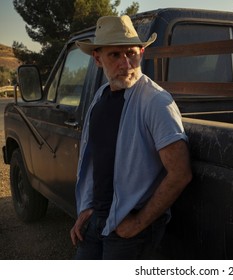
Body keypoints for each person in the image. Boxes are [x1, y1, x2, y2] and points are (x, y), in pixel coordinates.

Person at [69, 15, 192, 259]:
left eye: (131, 53)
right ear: (97, 58)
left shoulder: (156, 102)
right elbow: (96, 161)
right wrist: (87, 207)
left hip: (130, 229)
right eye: (115, 55)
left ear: (142, 52)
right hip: (97, 219)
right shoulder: (100, 97)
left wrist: (137, 223)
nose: (126, 64)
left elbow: (180, 173)